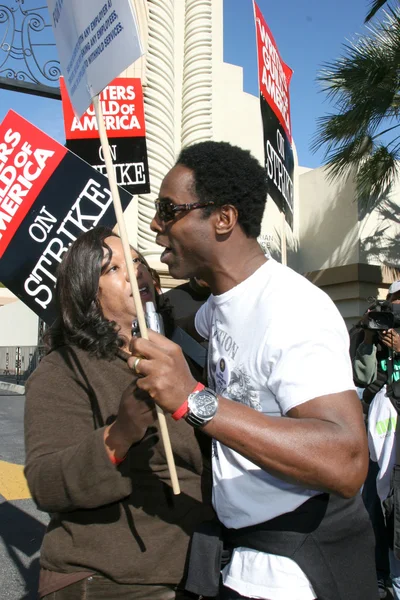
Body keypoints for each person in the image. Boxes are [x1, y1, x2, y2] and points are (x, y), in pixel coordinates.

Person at [129, 140, 378, 600]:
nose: (155, 222)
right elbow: (203, 324)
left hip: (295, 571)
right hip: (240, 557)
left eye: (169, 209)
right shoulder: (218, 304)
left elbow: (346, 460)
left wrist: (193, 399)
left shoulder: (293, 307)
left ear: (223, 219)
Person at [24, 226, 214, 600]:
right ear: (86, 294)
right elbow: (46, 484)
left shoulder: (181, 356)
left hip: (196, 569)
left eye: (137, 261)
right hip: (111, 579)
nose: (134, 271)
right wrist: (121, 432)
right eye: (112, 269)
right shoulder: (63, 370)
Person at [354, 281, 400, 599]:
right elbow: (363, 377)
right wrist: (370, 338)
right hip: (377, 432)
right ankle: (382, 573)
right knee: (373, 504)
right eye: (393, 304)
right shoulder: (375, 335)